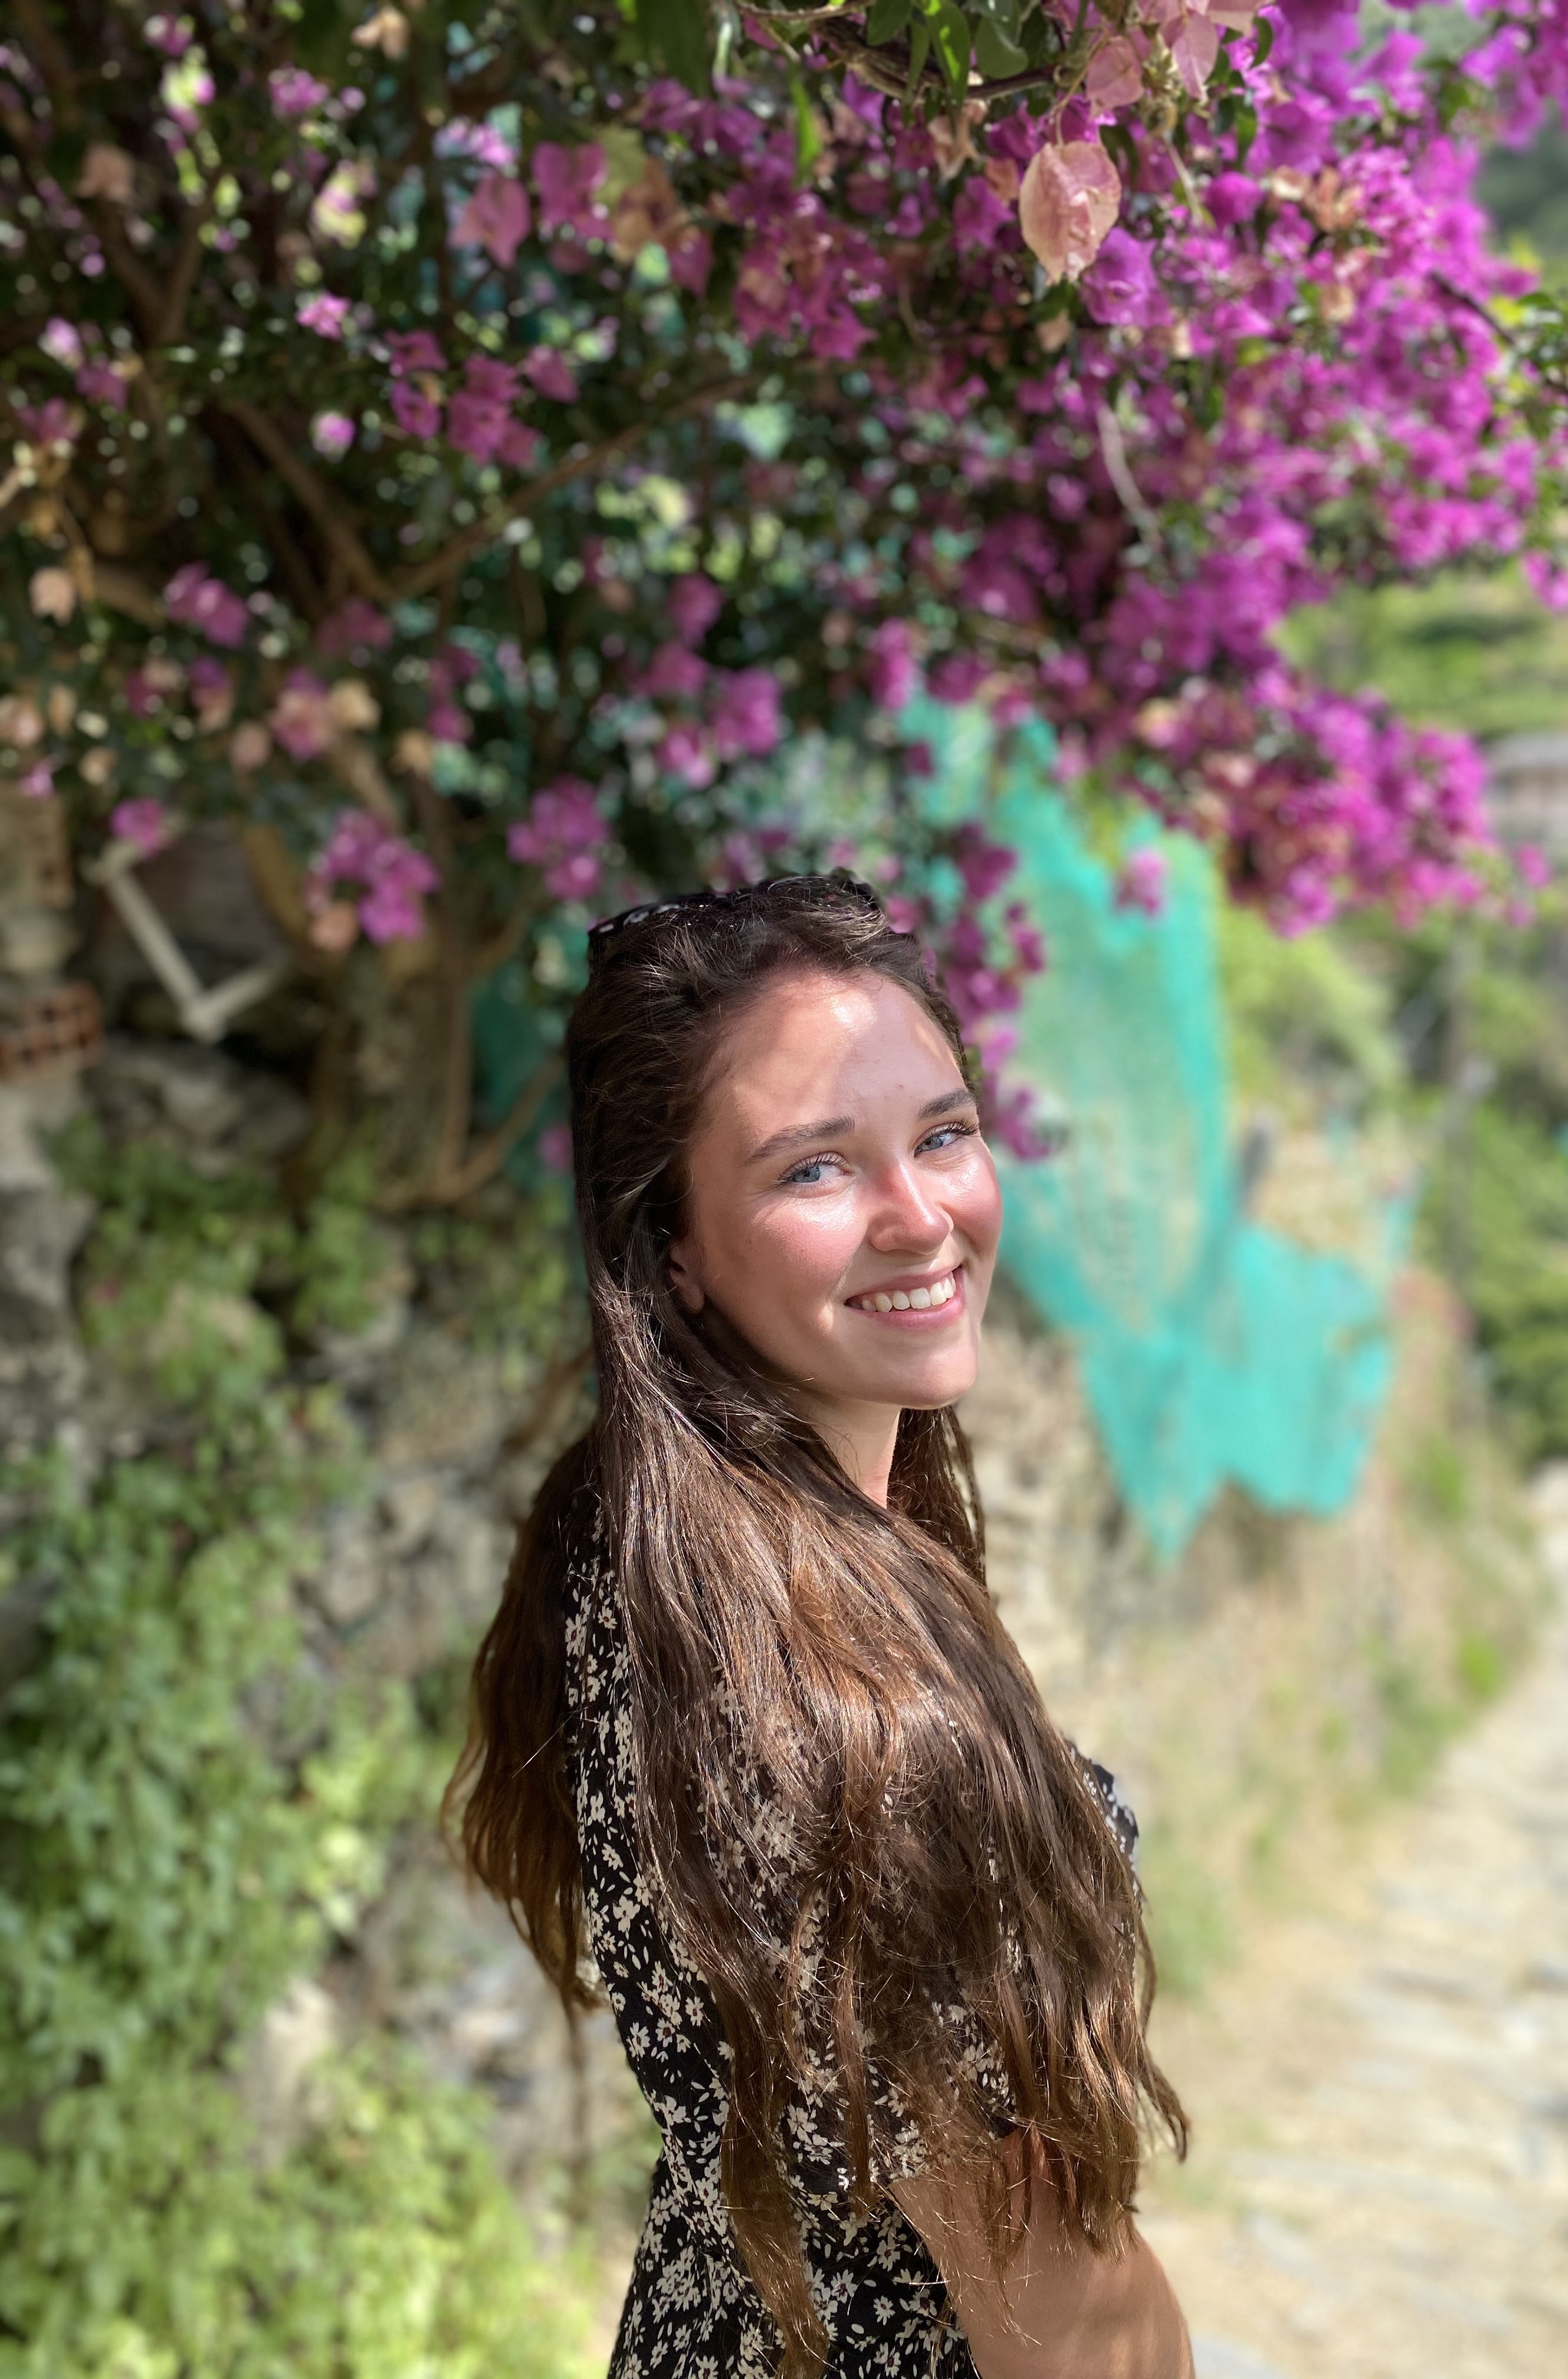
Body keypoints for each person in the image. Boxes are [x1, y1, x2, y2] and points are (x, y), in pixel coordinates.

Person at [450, 873, 1194, 2379]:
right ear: (673, 1247)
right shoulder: (819, 1706)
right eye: (814, 1169)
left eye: (944, 1135)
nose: (920, 1217)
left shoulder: (648, 1546)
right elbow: (1065, 2322)